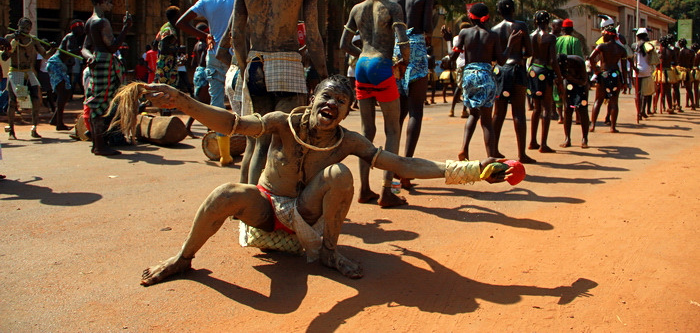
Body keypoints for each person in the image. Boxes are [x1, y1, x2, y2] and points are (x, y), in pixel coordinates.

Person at [135, 76, 515, 286]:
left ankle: (329, 251)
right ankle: (183, 259)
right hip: (266, 211)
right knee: (225, 192)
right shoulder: (282, 121)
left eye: (342, 103)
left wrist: (474, 170)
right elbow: (234, 125)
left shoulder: (348, 140)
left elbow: (401, 164)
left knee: (340, 173)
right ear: (314, 96)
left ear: (347, 113)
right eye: (327, 96)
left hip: (307, 214)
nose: (332, 105)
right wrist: (185, 102)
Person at [223, 0, 329, 184]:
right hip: (289, 66)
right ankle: (270, 204)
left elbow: (237, 32)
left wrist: (246, 66)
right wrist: (323, 74)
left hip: (256, 62)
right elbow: (313, 36)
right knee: (283, 141)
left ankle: (244, 203)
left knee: (256, 141)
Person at [340, 0, 409, 208]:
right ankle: (386, 191)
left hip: (362, 66)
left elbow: (344, 44)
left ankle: (365, 189)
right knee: (392, 130)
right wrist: (403, 62)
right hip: (381, 66)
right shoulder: (393, 7)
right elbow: (403, 42)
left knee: (366, 131)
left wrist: (362, 55)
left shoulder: (357, 8)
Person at [176, 0, 237, 166]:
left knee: (217, 101)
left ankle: (224, 154)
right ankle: (247, 143)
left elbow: (182, 22)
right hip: (236, 56)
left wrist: (205, 36)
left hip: (214, 56)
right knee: (241, 100)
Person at [386, 0, 434, 187]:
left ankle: (392, 166)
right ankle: (405, 170)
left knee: (399, 111)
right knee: (416, 110)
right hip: (415, 47)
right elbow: (427, 27)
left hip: (395, 49)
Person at [450, 3, 519, 161]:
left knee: (473, 114)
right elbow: (501, 61)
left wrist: (450, 41)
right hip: (485, 76)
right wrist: (510, 43)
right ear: (487, 16)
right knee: (486, 120)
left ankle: (463, 149)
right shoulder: (492, 35)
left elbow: (453, 57)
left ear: (470, 16)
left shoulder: (464, 32)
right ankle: (491, 157)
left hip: (468, 75)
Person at [82, 0, 132, 155]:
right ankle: (100, 145)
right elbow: (112, 47)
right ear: (101, 1)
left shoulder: (89, 22)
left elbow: (84, 48)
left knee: (98, 102)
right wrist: (126, 28)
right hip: (105, 62)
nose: (111, 4)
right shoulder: (102, 22)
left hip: (97, 61)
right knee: (102, 104)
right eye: (109, 1)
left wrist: (90, 58)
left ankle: (98, 142)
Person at [491, 0, 535, 164]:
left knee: (498, 113)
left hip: (501, 71)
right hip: (517, 69)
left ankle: (493, 149)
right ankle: (521, 154)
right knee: (518, 113)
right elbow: (529, 51)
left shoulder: (494, 29)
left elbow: (496, 55)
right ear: (514, 10)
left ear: (499, 11)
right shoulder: (521, 26)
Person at [2, 18, 56, 139]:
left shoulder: (33, 40)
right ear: (18, 26)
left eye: (27, 28)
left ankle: (34, 128)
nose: (25, 30)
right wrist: (13, 42)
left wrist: (53, 49)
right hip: (15, 71)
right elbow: (5, 56)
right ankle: (11, 130)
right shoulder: (10, 37)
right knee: (12, 101)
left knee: (36, 98)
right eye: (23, 28)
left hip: (28, 71)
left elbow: (45, 55)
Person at [527, 10, 564, 154]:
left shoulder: (530, 36)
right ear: (548, 22)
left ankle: (532, 141)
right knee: (547, 108)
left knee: (536, 108)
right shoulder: (550, 38)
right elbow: (553, 60)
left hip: (533, 70)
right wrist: (559, 78)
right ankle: (543, 144)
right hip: (544, 70)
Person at [588, 19, 627, 132]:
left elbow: (591, 58)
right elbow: (624, 68)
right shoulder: (621, 50)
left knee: (598, 101)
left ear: (609, 36)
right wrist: (624, 82)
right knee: (614, 101)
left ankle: (593, 125)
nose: (603, 36)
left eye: (604, 34)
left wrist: (596, 71)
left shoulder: (601, 47)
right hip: (615, 75)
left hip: (603, 74)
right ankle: (612, 127)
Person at [557, 54, 590, 148]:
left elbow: (584, 81)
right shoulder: (560, 65)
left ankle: (585, 138)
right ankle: (567, 138)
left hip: (581, 85)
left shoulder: (578, 61)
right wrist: (560, 87)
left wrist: (570, 78)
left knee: (582, 110)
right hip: (568, 84)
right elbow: (557, 79)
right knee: (568, 110)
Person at [631, 28, 659, 120]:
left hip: (636, 71)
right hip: (647, 70)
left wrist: (634, 68)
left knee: (637, 93)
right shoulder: (650, 45)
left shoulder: (633, 45)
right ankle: (643, 110)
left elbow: (630, 58)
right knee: (646, 93)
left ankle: (638, 112)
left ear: (637, 36)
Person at [154, 6, 180, 88]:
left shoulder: (164, 27)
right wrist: (177, 49)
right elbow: (163, 48)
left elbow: (155, 44)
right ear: (176, 16)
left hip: (163, 64)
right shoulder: (169, 29)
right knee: (167, 89)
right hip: (167, 66)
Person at [677, 38, 695, 110]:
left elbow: (677, 60)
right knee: (689, 88)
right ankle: (693, 104)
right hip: (687, 70)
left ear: (680, 44)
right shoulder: (691, 52)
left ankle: (676, 104)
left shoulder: (679, 51)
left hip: (679, 70)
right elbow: (692, 62)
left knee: (676, 88)